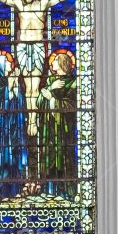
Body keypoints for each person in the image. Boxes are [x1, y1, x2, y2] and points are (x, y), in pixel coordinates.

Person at [0, 0, 87, 118]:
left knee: (35, 86)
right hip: (22, 48)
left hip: (38, 47)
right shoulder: (19, 5)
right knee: (28, 87)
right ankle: (30, 120)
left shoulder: (43, 4)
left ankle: (34, 119)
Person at [37, 49, 78, 199]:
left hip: (64, 132)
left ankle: (66, 193)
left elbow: (72, 107)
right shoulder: (50, 81)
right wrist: (49, 90)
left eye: (55, 61)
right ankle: (49, 191)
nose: (52, 63)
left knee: (64, 160)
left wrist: (52, 99)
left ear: (61, 63)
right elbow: (39, 101)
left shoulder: (73, 83)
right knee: (49, 159)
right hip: (49, 130)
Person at [0, 50, 26, 202]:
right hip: (1, 132)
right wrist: (10, 85)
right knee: (2, 160)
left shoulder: (9, 79)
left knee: (13, 157)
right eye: (8, 62)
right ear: (0, 65)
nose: (11, 64)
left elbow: (17, 102)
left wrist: (15, 86)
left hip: (12, 128)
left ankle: (13, 191)